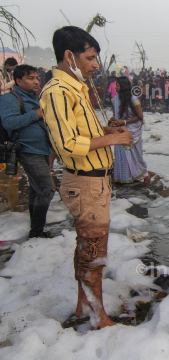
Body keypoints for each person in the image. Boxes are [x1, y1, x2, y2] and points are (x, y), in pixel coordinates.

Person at [40, 26, 134, 330]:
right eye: (90, 57)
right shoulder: (58, 91)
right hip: (85, 183)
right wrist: (113, 141)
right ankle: (98, 317)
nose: (96, 64)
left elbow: (83, 135)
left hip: (94, 181)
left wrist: (109, 131)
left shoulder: (77, 88)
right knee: (94, 252)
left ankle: (84, 305)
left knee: (87, 247)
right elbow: (68, 144)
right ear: (70, 56)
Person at [0, 64, 54, 238]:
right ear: (18, 81)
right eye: (31, 78)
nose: (36, 81)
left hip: (42, 149)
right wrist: (36, 114)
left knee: (36, 189)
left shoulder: (37, 97)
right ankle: (37, 232)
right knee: (47, 189)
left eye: (37, 78)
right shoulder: (11, 98)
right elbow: (9, 123)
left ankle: (36, 229)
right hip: (27, 150)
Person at [108, 76, 149, 184]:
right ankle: (124, 178)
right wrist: (114, 120)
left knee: (134, 156)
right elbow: (116, 114)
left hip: (132, 131)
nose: (115, 87)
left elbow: (140, 116)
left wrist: (124, 122)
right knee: (121, 155)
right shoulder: (116, 99)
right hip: (120, 130)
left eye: (117, 85)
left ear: (123, 86)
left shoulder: (133, 99)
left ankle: (142, 174)